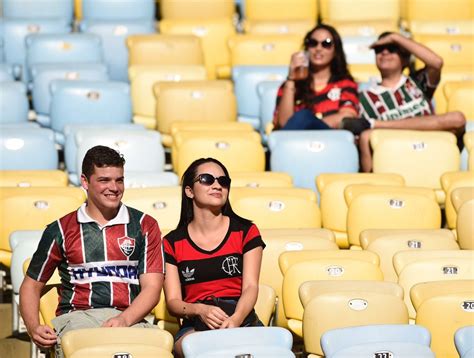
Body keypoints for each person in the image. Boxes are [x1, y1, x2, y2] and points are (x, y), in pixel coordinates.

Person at [19, 145, 164, 358]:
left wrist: (124, 320)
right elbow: (30, 286)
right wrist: (33, 327)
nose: (114, 187)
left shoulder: (145, 225)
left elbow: (152, 288)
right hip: (77, 319)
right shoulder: (59, 229)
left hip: (130, 319)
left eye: (119, 180)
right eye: (104, 180)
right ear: (85, 182)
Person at [163, 158, 265, 357]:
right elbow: (173, 301)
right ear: (189, 191)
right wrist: (200, 310)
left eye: (223, 181)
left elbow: (251, 287)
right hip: (196, 325)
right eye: (207, 179)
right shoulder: (171, 242)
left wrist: (235, 319)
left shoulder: (246, 231)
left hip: (242, 319)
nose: (217, 185)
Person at [340, 31, 466, 172]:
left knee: (457, 118)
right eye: (379, 50)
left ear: (405, 58)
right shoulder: (365, 99)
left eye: (393, 49)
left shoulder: (416, 82)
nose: (385, 53)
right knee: (366, 136)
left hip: (432, 151)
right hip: (396, 158)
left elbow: (437, 62)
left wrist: (396, 37)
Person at [273, 23, 359, 130]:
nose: (318, 48)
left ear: (335, 50)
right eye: (313, 43)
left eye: (326, 44)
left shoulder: (345, 84)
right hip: (295, 142)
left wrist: (309, 123)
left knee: (303, 116)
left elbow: (347, 116)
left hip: (329, 139)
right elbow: (283, 123)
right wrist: (291, 78)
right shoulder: (291, 86)